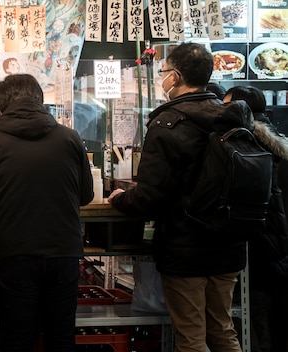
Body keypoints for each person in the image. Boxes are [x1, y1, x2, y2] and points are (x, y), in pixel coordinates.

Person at [107, 42, 251, 351]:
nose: (162, 78)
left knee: (191, 336)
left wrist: (119, 198)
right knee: (223, 329)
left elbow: (150, 196)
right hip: (230, 243)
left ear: (176, 76)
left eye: (164, 72)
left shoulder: (167, 123)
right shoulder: (233, 115)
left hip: (186, 248)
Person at [0, 73, 94, 351]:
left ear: (0, 109)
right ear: (41, 100)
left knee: (17, 338)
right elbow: (86, 196)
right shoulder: (70, 139)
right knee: (61, 337)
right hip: (63, 253)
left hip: (14, 253)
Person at [223, 86, 288, 352]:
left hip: (261, 250)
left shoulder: (247, 147)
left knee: (255, 321)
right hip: (278, 250)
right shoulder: (276, 145)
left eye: (226, 106)